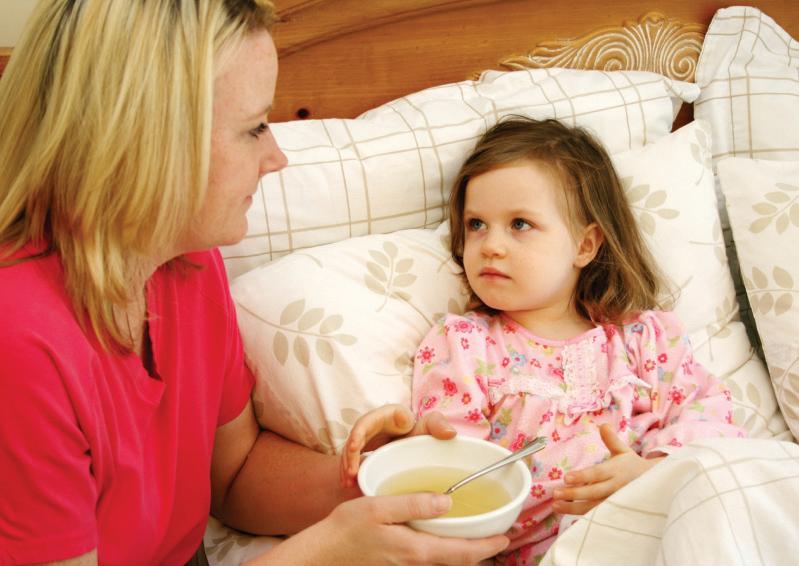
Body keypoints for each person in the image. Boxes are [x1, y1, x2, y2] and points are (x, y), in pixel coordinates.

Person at [0, 1, 510, 564]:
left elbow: (236, 476)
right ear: (145, 143)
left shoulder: (187, 263)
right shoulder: (20, 343)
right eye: (255, 128)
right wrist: (326, 553)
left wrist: (382, 477)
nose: (277, 157)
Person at [341, 117, 745, 564]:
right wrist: (410, 441)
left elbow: (713, 415)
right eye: (476, 224)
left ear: (585, 245)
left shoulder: (643, 338)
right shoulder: (466, 346)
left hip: (664, 527)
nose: (490, 245)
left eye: (519, 224)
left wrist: (650, 471)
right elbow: (455, 475)